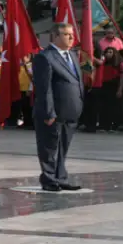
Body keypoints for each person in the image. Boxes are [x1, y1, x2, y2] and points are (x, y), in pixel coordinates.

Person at [32, 23, 84, 192]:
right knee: (49, 147)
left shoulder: (72, 55)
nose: (71, 37)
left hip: (71, 110)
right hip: (53, 111)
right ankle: (49, 179)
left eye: (72, 34)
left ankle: (61, 177)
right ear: (55, 36)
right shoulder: (45, 57)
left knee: (63, 147)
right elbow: (44, 88)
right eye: (67, 34)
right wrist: (49, 112)